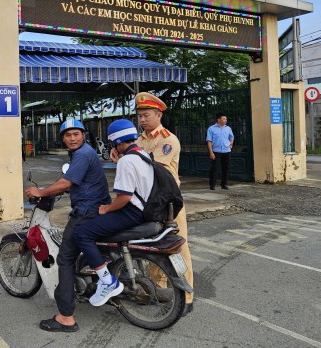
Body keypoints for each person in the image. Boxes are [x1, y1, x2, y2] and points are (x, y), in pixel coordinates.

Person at [111, 92, 194, 315]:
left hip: (169, 203)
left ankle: (186, 298)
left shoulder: (167, 139)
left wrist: (126, 159)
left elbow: (152, 168)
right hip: (147, 202)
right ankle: (158, 290)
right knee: (151, 248)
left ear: (158, 114)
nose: (143, 119)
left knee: (178, 249)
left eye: (147, 115)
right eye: (139, 116)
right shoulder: (139, 139)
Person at [25, 118, 110, 332]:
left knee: (65, 258)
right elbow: (68, 177)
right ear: (63, 138)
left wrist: (41, 192)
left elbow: (66, 182)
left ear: (83, 135)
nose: (72, 138)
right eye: (68, 135)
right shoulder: (83, 153)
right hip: (98, 209)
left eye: (76, 134)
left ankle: (65, 317)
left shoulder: (82, 154)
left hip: (86, 212)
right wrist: (56, 187)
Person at [74, 119, 152, 306]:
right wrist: (119, 163)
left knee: (82, 233)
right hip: (146, 210)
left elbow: (124, 197)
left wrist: (106, 208)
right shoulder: (142, 154)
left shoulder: (127, 161)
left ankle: (108, 281)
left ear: (116, 141)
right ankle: (105, 264)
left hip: (131, 212)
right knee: (98, 227)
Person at [206, 112, 234, 190]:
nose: (225, 120)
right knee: (214, 169)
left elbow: (231, 137)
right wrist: (211, 152)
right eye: (224, 118)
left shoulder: (228, 128)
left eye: (226, 119)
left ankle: (224, 184)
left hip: (226, 151)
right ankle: (212, 185)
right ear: (218, 119)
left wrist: (231, 144)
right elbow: (209, 141)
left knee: (226, 168)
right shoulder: (211, 128)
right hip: (216, 151)